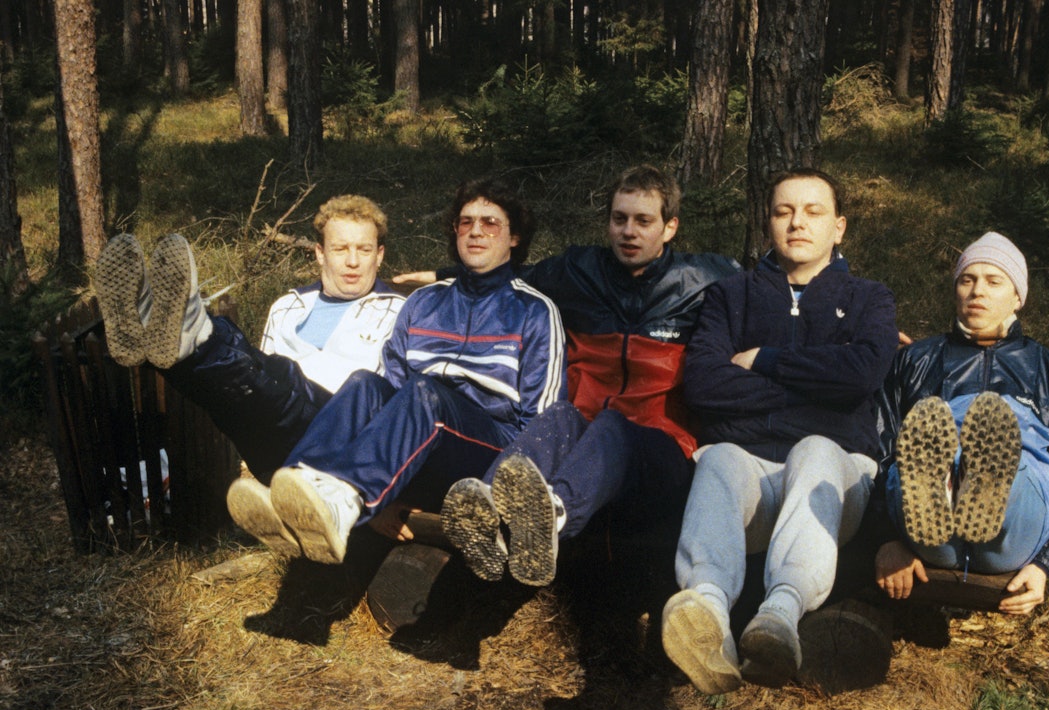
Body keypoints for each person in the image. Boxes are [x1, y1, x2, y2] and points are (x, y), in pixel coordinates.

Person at [428, 165, 742, 587]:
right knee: (559, 416)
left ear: (670, 228)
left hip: (663, 449)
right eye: (619, 219)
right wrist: (439, 278)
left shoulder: (706, 280)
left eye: (643, 221)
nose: (628, 231)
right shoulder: (579, 271)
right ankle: (483, 509)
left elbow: (774, 293)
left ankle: (551, 516)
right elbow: (510, 277)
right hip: (583, 436)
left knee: (613, 426)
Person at [228, 178, 567, 565]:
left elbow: (543, 424)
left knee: (427, 395)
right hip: (423, 448)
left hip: (489, 456)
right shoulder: (423, 302)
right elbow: (388, 398)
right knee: (364, 385)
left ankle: (348, 501)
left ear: (515, 238)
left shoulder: (535, 311)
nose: (475, 231)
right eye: (465, 221)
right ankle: (293, 491)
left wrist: (505, 496)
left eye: (490, 223)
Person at [662, 168, 899, 694]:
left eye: (813, 212)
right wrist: (817, 391)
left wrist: (764, 359)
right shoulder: (730, 296)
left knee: (817, 446)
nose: (797, 223)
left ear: (838, 228)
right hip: (750, 481)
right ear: (768, 223)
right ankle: (708, 617)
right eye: (783, 211)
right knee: (720, 455)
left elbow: (861, 374)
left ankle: (780, 617)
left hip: (834, 486)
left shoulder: (869, 299)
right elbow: (704, 385)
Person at [92, 195, 405, 482]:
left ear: (379, 256)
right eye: (340, 249)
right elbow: (256, 377)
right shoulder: (287, 307)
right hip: (274, 445)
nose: (353, 261)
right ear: (320, 254)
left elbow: (392, 403)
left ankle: (198, 334)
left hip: (339, 442)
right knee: (227, 388)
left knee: (277, 376)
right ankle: (161, 331)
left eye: (364, 250)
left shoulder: (401, 313)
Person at [874, 232, 1049, 616]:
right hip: (929, 540)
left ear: (1017, 297)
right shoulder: (915, 361)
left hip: (1013, 534)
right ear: (955, 290)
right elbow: (874, 450)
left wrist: (1047, 564)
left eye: (994, 281)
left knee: (1011, 458)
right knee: (918, 456)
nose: (978, 290)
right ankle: (942, 482)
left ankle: (984, 476)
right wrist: (886, 540)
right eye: (967, 279)